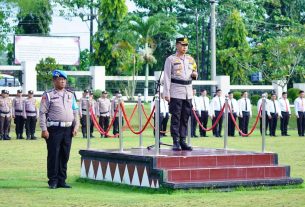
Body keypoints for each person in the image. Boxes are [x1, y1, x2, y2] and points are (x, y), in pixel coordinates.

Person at [39, 69, 79, 189]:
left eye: (64, 80)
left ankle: (62, 180)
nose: (62, 81)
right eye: (60, 79)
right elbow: (42, 113)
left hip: (68, 129)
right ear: (54, 81)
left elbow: (75, 111)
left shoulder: (70, 95)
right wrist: (44, 128)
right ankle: (53, 180)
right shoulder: (48, 95)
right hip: (54, 129)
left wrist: (76, 126)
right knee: (54, 155)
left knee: (65, 155)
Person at [163, 37, 198, 151]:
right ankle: (176, 141)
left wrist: (195, 74)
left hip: (188, 91)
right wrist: (166, 93)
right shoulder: (170, 59)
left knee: (185, 117)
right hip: (176, 91)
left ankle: (183, 141)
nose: (185, 47)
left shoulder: (191, 59)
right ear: (177, 45)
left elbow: (194, 71)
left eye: (186, 45)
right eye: (182, 45)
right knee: (176, 117)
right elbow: (167, 77)